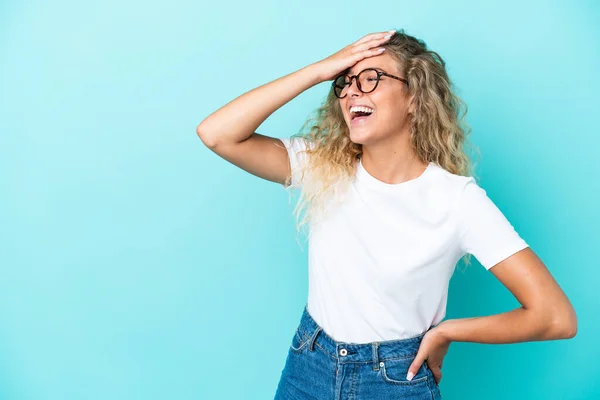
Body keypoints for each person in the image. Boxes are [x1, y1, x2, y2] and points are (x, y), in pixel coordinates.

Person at [197, 29, 577, 400]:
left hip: (395, 380)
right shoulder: (322, 166)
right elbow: (217, 133)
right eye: (343, 84)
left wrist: (447, 332)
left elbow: (554, 316)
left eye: (370, 79)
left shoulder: (458, 201)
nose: (350, 93)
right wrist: (319, 70)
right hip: (308, 365)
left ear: (415, 97)